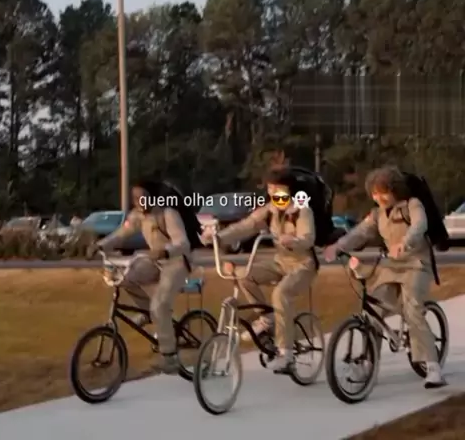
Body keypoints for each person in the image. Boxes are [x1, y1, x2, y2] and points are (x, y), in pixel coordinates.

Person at [323, 166, 446, 389]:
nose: (378, 198)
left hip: (416, 264)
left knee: (413, 310)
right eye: (374, 193)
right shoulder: (377, 214)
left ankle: (432, 365)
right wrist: (338, 246)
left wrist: (404, 243)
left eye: (383, 193)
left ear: (395, 190)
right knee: (373, 311)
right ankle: (369, 364)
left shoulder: (412, 205)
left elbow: (419, 225)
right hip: (390, 265)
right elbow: (360, 233)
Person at [201, 167, 318, 374]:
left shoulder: (301, 210)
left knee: (281, 294)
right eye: (270, 188)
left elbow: (308, 238)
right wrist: (218, 238)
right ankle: (267, 318)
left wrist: (294, 240)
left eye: (277, 188)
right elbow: (246, 226)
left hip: (303, 264)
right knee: (244, 275)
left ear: (288, 190)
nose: (272, 192)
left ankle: (286, 354)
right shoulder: (269, 210)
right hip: (280, 262)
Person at [87, 179, 190, 374]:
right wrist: (100, 246)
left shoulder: (167, 213)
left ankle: (170, 357)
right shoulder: (137, 216)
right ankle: (147, 311)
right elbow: (121, 234)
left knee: (160, 305)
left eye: (141, 196)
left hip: (176, 262)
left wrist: (166, 251)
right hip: (154, 261)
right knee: (123, 278)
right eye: (134, 198)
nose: (138, 201)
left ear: (152, 196)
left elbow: (183, 243)